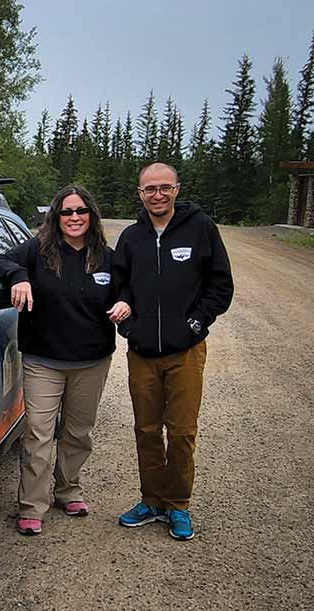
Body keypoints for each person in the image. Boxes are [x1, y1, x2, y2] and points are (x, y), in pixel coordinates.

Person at [109, 162, 233, 541]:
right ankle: (152, 501)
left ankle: (178, 505)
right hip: (142, 352)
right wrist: (127, 323)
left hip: (186, 352)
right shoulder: (131, 238)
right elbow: (119, 285)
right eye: (150, 189)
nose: (157, 195)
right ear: (140, 194)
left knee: (181, 432)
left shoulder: (201, 229)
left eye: (165, 187)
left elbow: (221, 285)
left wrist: (195, 323)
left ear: (177, 189)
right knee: (146, 430)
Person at [0, 186, 117, 535]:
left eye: (81, 211)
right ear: (56, 217)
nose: (74, 218)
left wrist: (127, 306)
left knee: (78, 433)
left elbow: (128, 293)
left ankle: (68, 490)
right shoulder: (37, 250)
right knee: (39, 435)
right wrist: (19, 276)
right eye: (66, 212)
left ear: (91, 215)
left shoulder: (107, 256)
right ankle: (31, 506)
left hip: (92, 361)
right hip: (43, 361)